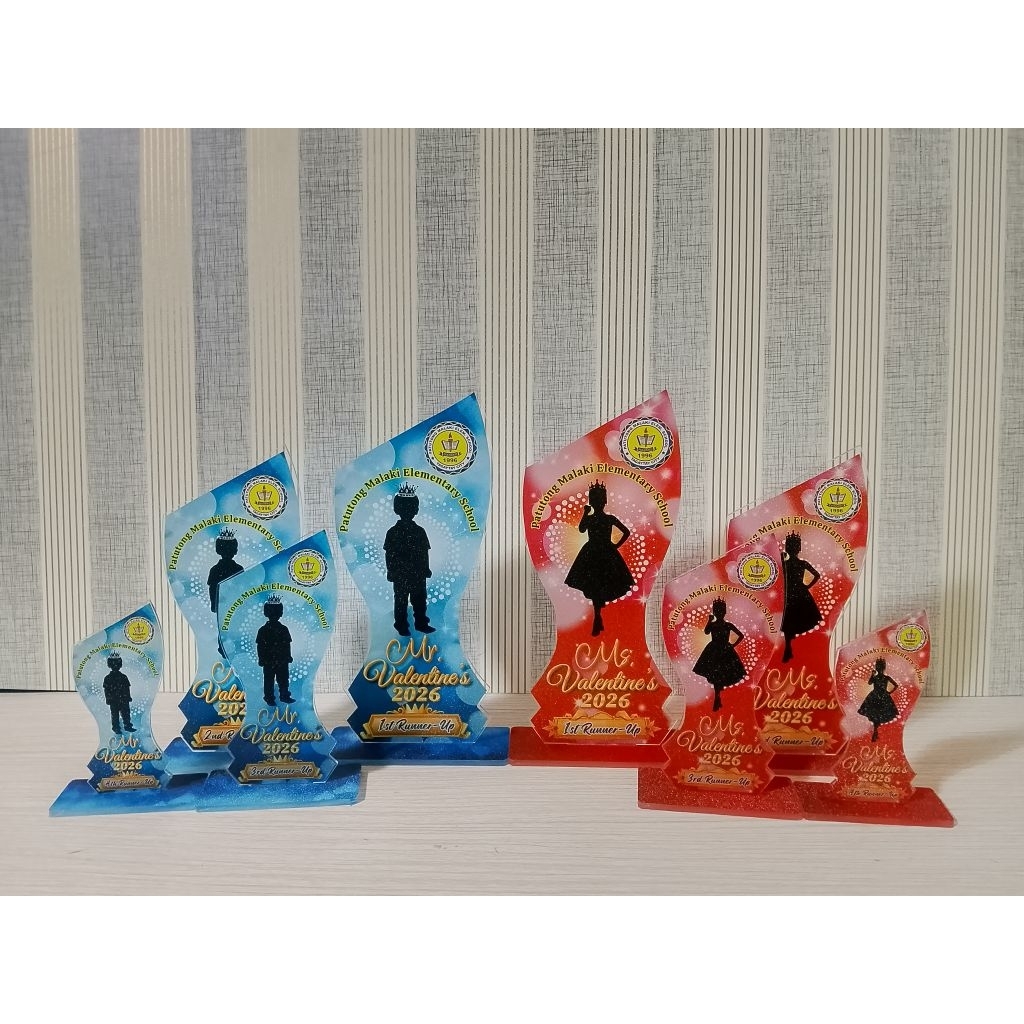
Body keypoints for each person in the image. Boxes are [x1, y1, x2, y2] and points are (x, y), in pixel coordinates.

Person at [564, 482, 634, 636]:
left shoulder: (604, 518)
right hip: (602, 552)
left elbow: (626, 532)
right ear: (604, 501)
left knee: (597, 583)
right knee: (597, 582)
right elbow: (582, 529)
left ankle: (597, 616)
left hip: (596, 552)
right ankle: (597, 616)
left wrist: (616, 545)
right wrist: (615, 545)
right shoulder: (608, 518)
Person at [384, 484, 434, 636]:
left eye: (411, 507)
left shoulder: (418, 531)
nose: (409, 511)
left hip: (417, 573)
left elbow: (424, 552)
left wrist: (426, 568)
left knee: (419, 600)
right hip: (401, 574)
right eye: (406, 508)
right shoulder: (393, 532)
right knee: (401, 601)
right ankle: (401, 626)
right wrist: (391, 570)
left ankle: (420, 623)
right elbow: (389, 554)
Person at [692, 598, 746, 711]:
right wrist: (709, 620)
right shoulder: (714, 625)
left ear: (724, 612)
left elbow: (741, 635)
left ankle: (718, 697)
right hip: (715, 651)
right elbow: (706, 632)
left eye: (721, 611)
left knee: (720, 673)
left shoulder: (728, 625)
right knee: (716, 673)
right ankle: (717, 697)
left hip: (724, 650)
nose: (719, 613)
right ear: (715, 612)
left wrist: (733, 645)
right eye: (717, 611)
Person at [779, 532, 822, 662]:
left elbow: (816, 575)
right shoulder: (794, 563)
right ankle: (789, 647)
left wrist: (806, 586)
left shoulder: (787, 564)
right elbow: (816, 575)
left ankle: (790, 646)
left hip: (791, 593)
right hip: (795, 593)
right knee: (789, 620)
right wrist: (805, 586)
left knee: (790, 620)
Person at [208, 528, 244, 657]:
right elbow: (213, 588)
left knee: (226, 627)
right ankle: (226, 648)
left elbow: (212, 588)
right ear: (235, 550)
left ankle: (226, 648)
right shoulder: (237, 568)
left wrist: (214, 604)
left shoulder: (215, 569)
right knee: (228, 627)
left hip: (227, 604)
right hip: (229, 604)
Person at [256, 594, 293, 705]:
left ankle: (283, 695)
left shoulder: (282, 629)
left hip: (280, 659)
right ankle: (270, 697)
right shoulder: (264, 630)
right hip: (270, 660)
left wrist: (288, 656)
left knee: (282, 678)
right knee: (270, 679)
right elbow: (260, 646)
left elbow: (287, 644)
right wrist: (261, 658)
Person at [857, 659, 899, 741]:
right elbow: (869, 683)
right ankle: (875, 731)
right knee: (876, 713)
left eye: (879, 667)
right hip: (881, 696)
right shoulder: (883, 677)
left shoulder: (881, 677)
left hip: (877, 695)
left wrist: (890, 692)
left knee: (876, 713)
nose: (879, 669)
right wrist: (889, 692)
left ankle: (875, 731)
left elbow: (896, 685)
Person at [103, 651, 135, 734]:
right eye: (113, 664)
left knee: (125, 713)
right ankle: (116, 728)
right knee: (115, 714)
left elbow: (127, 688)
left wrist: (128, 697)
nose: (115, 666)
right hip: (114, 700)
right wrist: (108, 699)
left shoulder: (123, 677)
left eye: (117, 664)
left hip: (123, 699)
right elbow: (106, 690)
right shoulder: (108, 678)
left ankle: (127, 726)